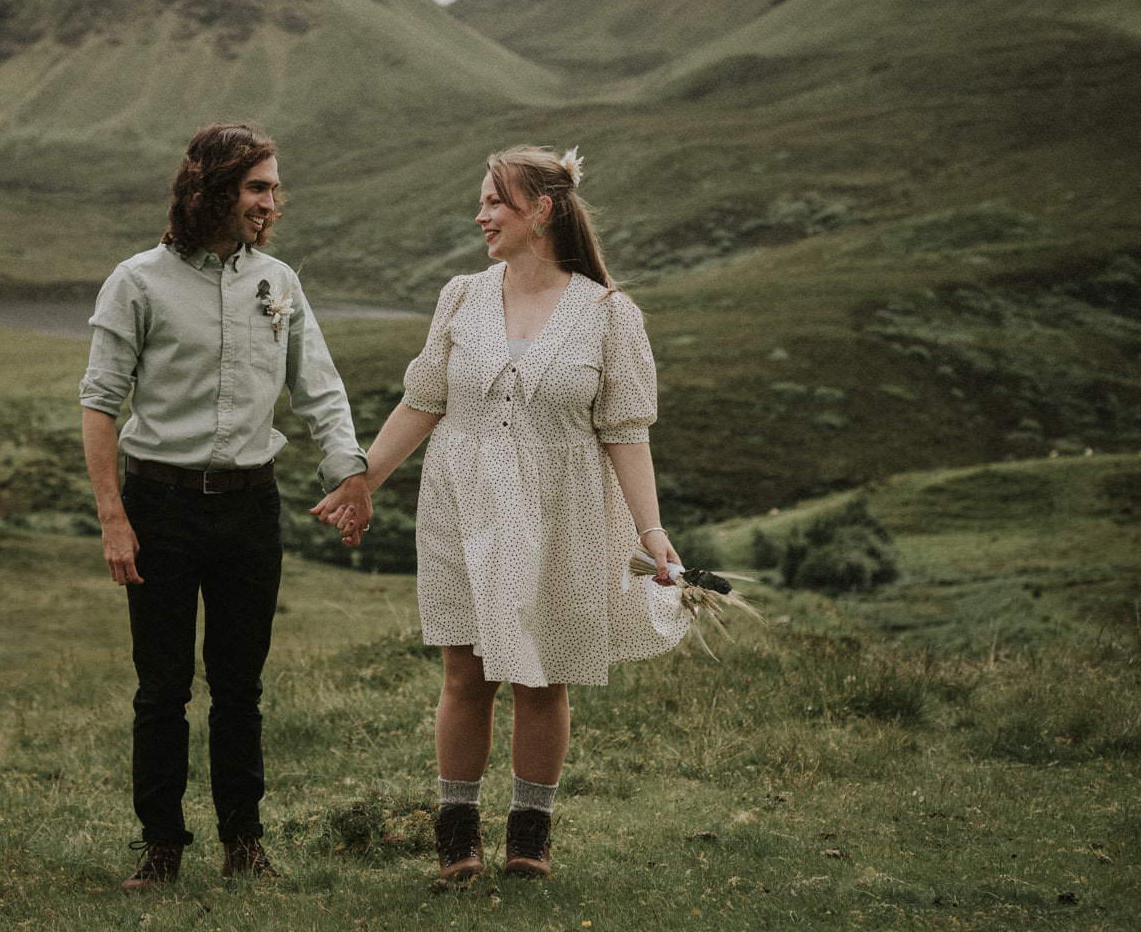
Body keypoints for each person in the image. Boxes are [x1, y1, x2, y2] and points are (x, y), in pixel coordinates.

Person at [314, 144, 689, 883]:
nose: (481, 214)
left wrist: (651, 531)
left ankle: (530, 835)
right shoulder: (461, 296)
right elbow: (424, 398)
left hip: (560, 511)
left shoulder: (609, 315)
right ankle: (458, 837)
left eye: (495, 201)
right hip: (462, 503)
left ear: (542, 211)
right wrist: (366, 482)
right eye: (483, 200)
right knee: (464, 668)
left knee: (543, 672)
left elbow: (626, 432)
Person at [79, 123, 372, 889]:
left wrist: (350, 474)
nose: (273, 202)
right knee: (162, 687)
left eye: (273, 188)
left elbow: (320, 388)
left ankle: (245, 841)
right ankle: (161, 848)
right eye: (257, 187)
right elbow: (101, 405)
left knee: (241, 685)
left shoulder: (278, 283)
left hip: (251, 506)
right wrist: (114, 518)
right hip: (160, 505)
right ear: (208, 189)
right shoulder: (136, 281)